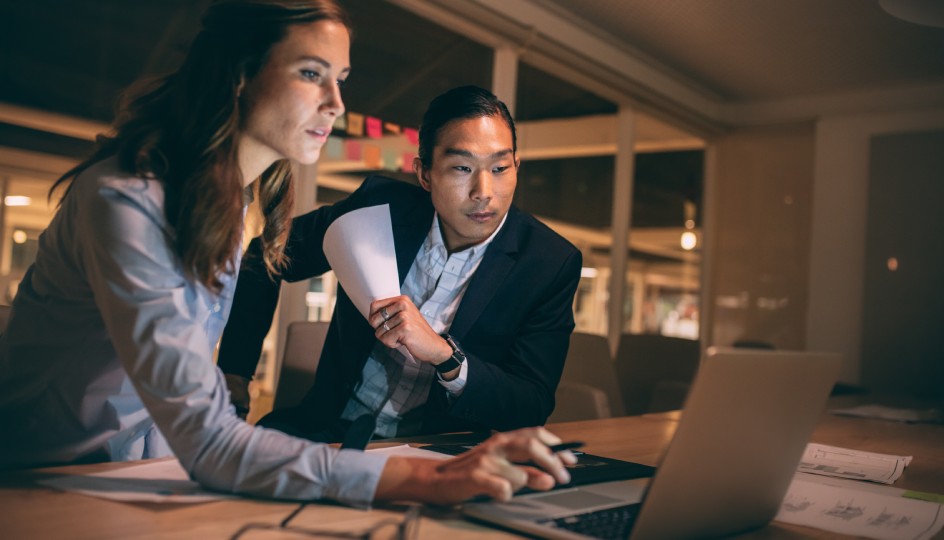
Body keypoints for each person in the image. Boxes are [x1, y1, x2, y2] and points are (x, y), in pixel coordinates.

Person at [0, 0, 576, 507]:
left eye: (341, 79)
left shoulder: (222, 205)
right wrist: (419, 479)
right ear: (239, 77)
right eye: (311, 74)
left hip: (148, 471)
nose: (336, 104)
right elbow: (206, 436)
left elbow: (183, 426)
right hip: (45, 480)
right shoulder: (129, 202)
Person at [218, 85, 583, 441]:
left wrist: (445, 355)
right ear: (424, 173)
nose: (484, 191)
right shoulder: (379, 208)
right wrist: (235, 372)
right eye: (461, 168)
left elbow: (531, 405)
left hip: (441, 453)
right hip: (326, 433)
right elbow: (267, 253)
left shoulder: (549, 263)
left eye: (500, 168)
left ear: (517, 166)